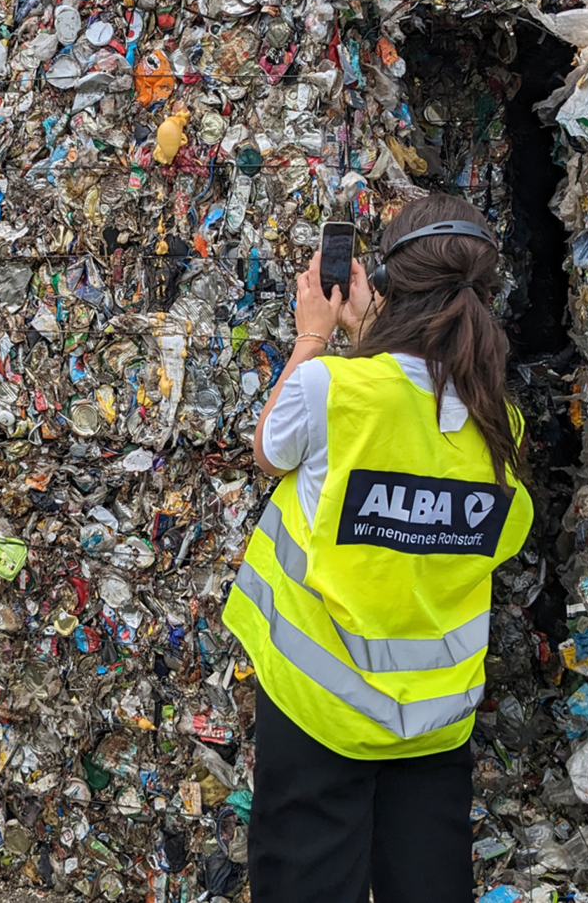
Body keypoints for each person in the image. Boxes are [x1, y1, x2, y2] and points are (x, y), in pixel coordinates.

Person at [222, 194, 534, 902]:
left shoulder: (331, 389)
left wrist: (314, 335)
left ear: (389, 284)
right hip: (435, 718)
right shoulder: (498, 427)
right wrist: (375, 331)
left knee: (307, 884)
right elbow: (491, 524)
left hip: (321, 706)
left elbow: (269, 451)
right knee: (428, 883)